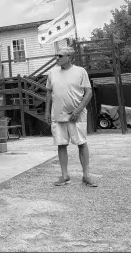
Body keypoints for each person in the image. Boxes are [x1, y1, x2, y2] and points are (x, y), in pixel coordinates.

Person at [45, 46, 98, 187]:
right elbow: (49, 93)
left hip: (77, 115)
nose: (57, 58)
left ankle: (86, 175)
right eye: (56, 55)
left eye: (60, 56)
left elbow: (88, 92)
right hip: (58, 115)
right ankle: (64, 175)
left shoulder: (80, 71)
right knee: (61, 144)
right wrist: (46, 111)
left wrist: (78, 110)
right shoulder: (52, 73)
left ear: (70, 57)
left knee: (81, 143)